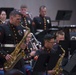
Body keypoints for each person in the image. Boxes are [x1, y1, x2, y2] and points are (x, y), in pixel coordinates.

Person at [0, 9, 27, 74]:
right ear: (11, 18)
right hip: (8, 60)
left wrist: (24, 46)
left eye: (20, 19)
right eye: (17, 19)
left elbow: (23, 42)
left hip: (19, 60)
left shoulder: (20, 28)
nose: (19, 21)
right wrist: (5, 55)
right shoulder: (3, 27)